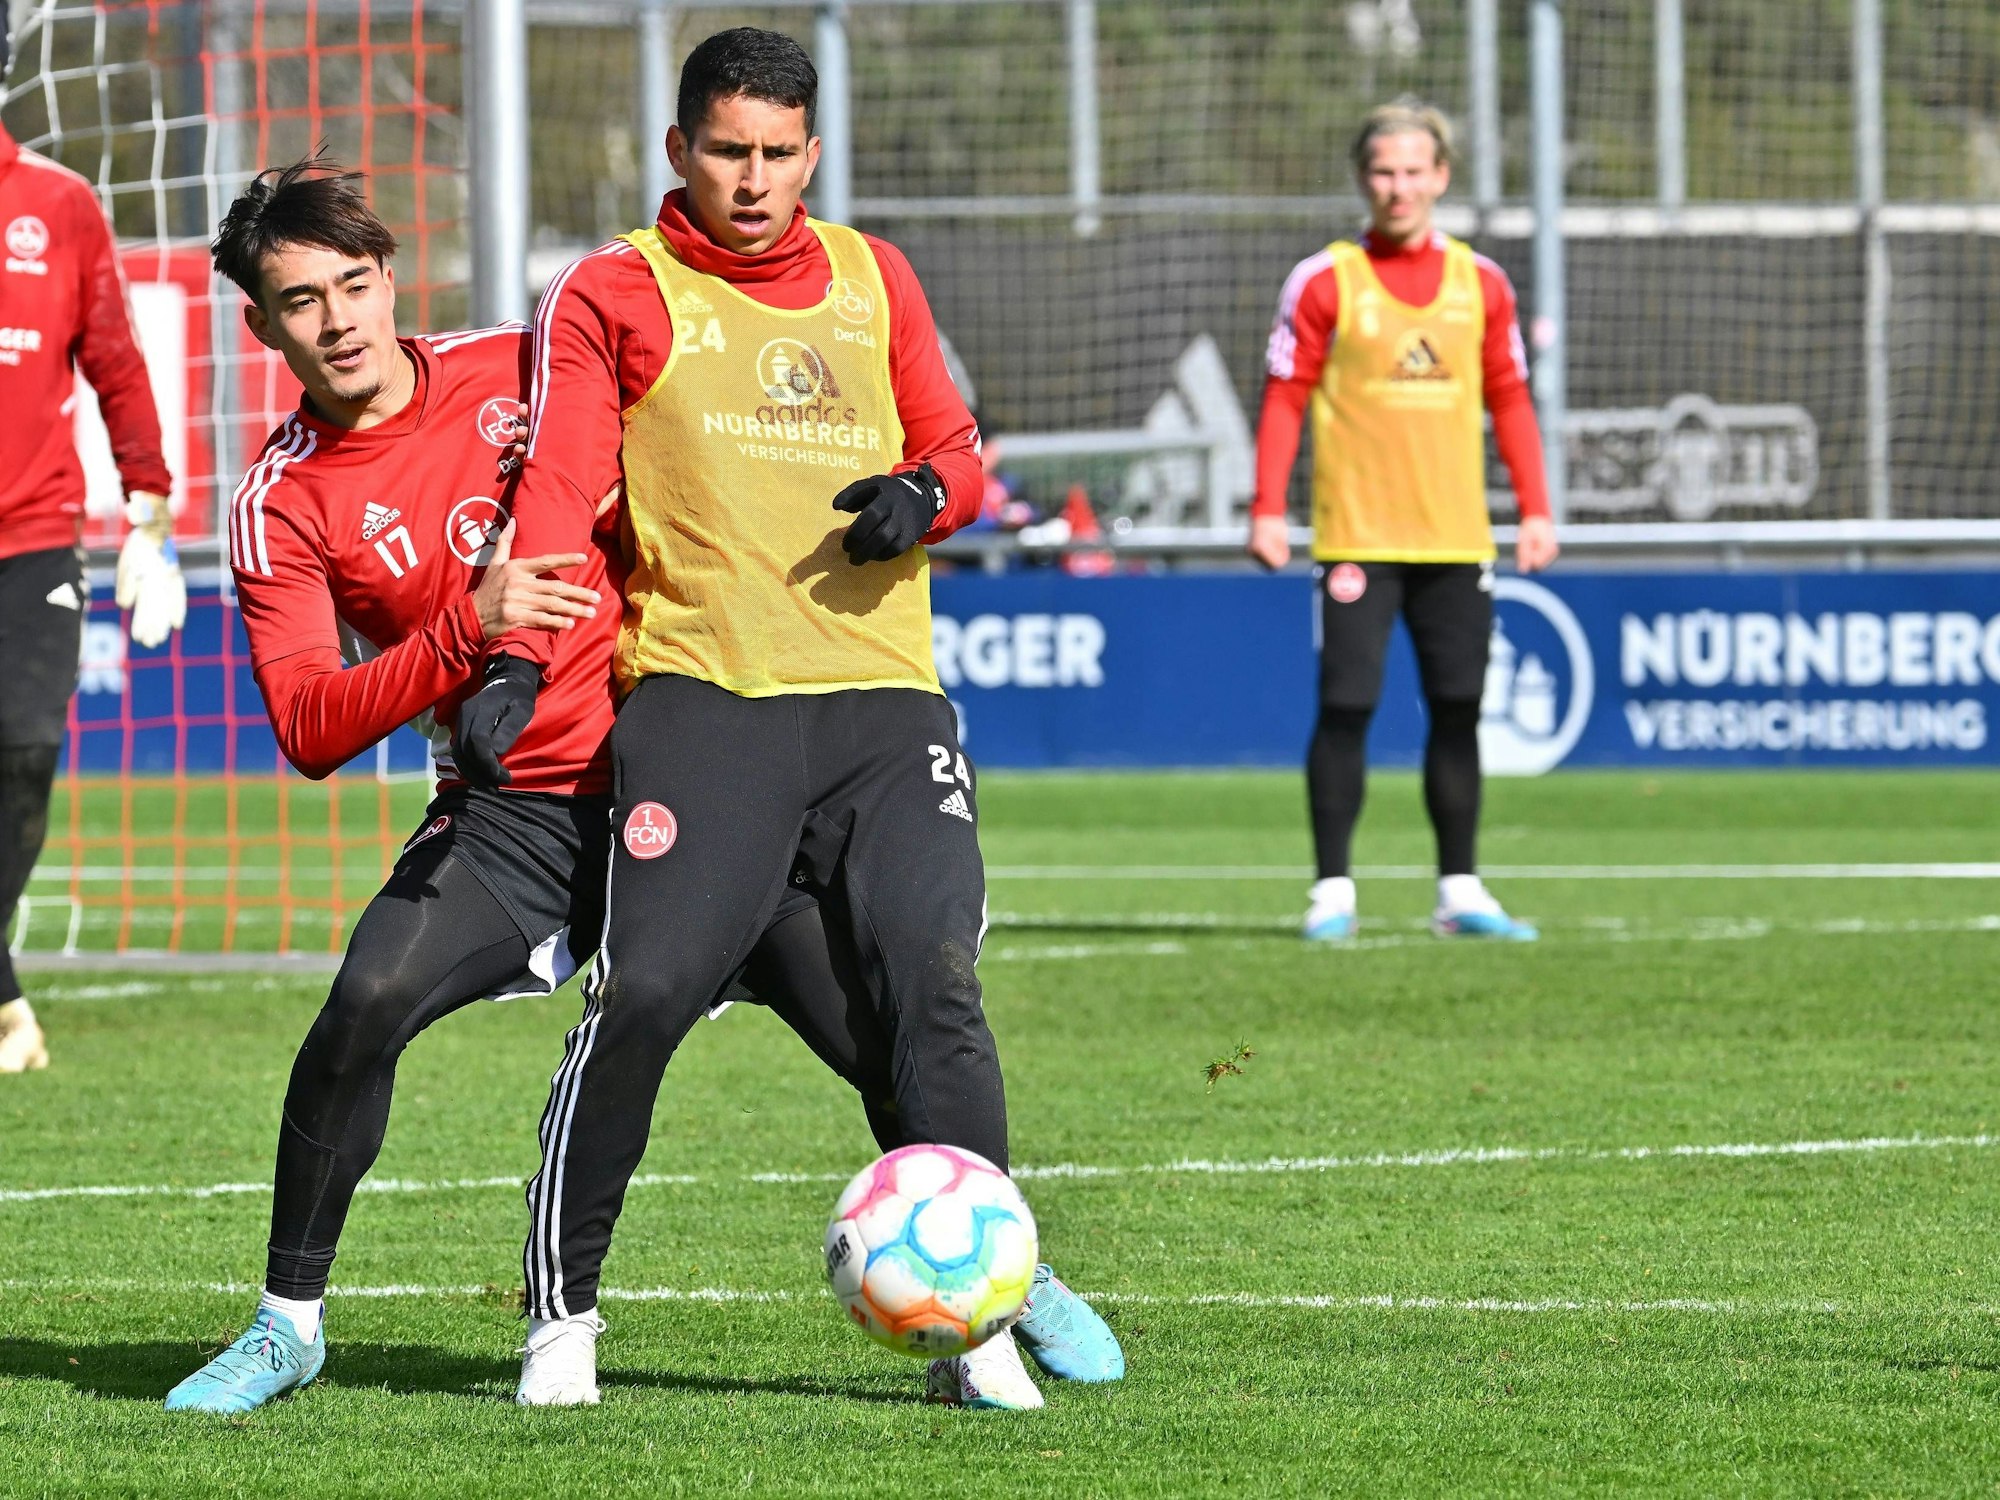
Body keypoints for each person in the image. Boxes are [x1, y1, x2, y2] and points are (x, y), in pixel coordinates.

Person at [164, 158, 919, 1415]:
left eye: (355, 284)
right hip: (516, 810)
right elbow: (304, 723)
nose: (340, 319)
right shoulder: (280, 501)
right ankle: (287, 1324)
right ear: (261, 325)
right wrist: (471, 630)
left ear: (390, 276)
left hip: (691, 768)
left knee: (881, 1038)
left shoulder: (524, 362)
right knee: (363, 1003)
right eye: (302, 302)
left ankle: (1002, 1266)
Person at [477, 27, 1122, 1412]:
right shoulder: (612, 291)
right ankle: (563, 1320)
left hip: (886, 704)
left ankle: (982, 1328)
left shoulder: (875, 277)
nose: (754, 180)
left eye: (778, 155)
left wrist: (926, 502)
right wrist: (515, 665)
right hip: (710, 702)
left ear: (812, 155)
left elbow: (955, 451)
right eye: (728, 151)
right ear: (680, 151)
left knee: (936, 991)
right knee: (644, 993)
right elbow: (559, 492)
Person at [1248, 99, 1560, 944]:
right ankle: (1332, 892)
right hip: (1357, 536)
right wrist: (1267, 507)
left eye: (1415, 170)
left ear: (1442, 177)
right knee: (1347, 705)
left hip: (1456, 537)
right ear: (1363, 178)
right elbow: (1285, 396)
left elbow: (1512, 400)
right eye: (1384, 171)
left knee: (1459, 706)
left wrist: (1536, 508)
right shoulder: (1325, 280)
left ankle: (1459, 890)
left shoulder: (1481, 283)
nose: (1400, 187)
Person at [0, 103, 180, 1075]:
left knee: (25, 750)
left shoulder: (58, 206)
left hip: (29, 539)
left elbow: (114, 360)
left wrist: (148, 509)